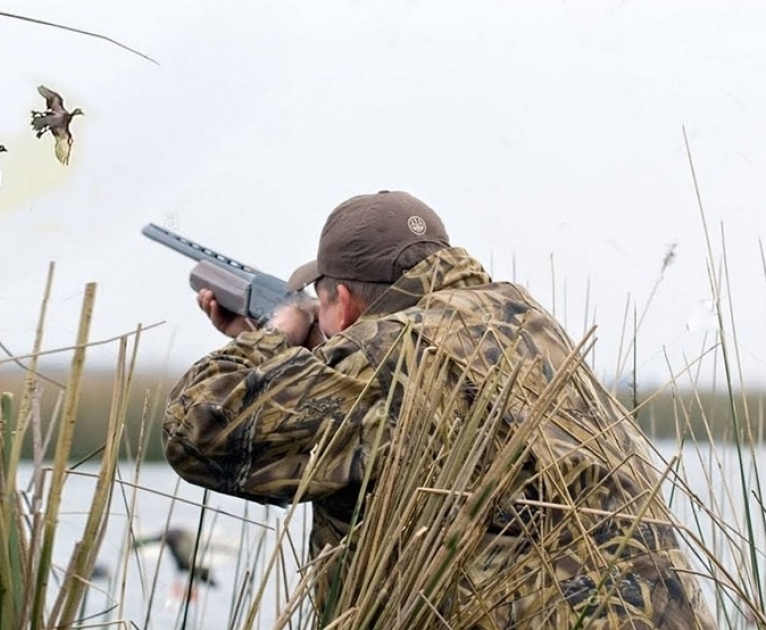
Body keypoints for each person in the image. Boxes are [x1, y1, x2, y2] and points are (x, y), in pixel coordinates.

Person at [162, 190, 717, 628]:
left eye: (320, 303)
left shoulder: (380, 358)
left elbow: (197, 429)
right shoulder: (525, 320)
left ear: (345, 303)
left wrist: (274, 339)